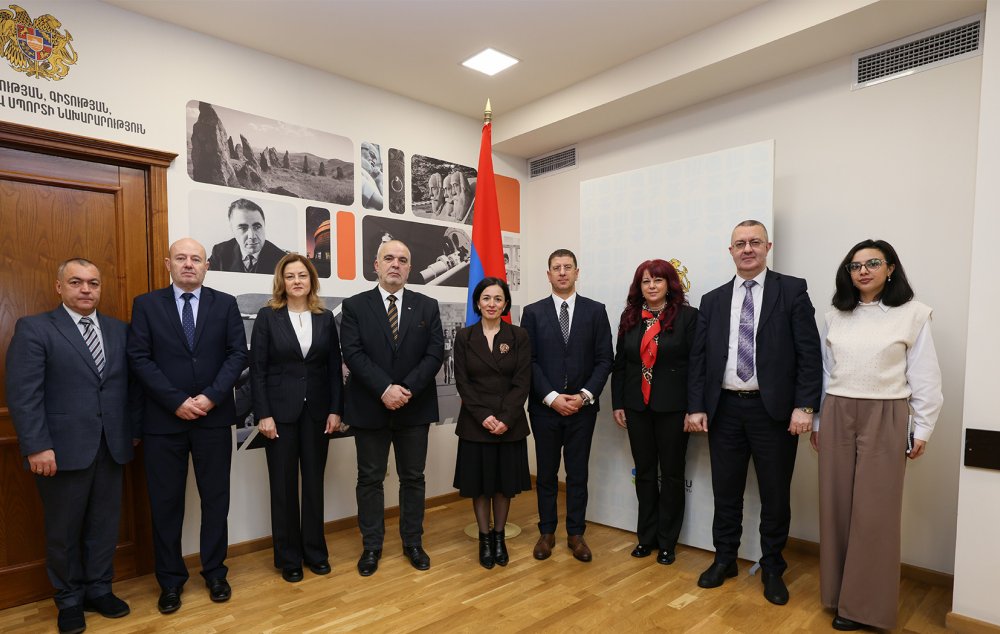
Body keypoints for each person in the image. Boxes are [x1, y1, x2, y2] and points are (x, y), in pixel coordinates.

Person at [687, 219, 822, 606]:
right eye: (740, 243)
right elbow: (700, 359)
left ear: (768, 247)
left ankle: (773, 568)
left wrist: (805, 407)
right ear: (730, 251)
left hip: (773, 413)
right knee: (726, 492)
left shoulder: (791, 290)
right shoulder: (712, 300)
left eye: (755, 242)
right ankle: (724, 559)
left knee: (775, 495)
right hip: (725, 409)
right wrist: (696, 406)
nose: (747, 249)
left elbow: (809, 353)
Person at [813, 240, 942, 631]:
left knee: (875, 513)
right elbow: (825, 372)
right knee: (835, 507)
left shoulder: (914, 314)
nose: (863, 271)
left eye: (872, 263)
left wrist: (922, 427)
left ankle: (864, 608)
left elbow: (925, 375)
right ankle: (837, 595)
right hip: (837, 412)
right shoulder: (835, 315)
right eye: (855, 266)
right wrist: (817, 422)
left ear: (890, 268)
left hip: (886, 413)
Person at [6, 258, 139, 634]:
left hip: (111, 446)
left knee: (104, 525)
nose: (86, 289)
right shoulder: (35, 329)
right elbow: (24, 394)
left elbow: (129, 388)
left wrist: (132, 431)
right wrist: (36, 446)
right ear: (59, 287)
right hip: (59, 452)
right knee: (63, 532)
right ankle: (68, 600)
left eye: (93, 283)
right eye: (76, 282)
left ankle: (99, 590)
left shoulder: (119, 330)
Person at [127, 238, 247, 614]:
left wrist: (210, 397)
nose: (189, 264)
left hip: (214, 420)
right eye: (181, 258)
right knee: (165, 505)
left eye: (196, 259)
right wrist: (176, 401)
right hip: (163, 423)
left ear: (207, 266)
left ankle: (215, 572)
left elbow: (237, 355)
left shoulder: (225, 304)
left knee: (216, 500)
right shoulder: (146, 305)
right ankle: (170, 581)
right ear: (169, 264)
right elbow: (139, 358)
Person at [339, 239, 444, 576]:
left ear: (410, 268)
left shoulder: (427, 306)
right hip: (370, 407)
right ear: (376, 265)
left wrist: (405, 389)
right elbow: (353, 353)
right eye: (389, 258)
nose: (395, 264)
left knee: (413, 478)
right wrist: (385, 389)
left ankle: (413, 542)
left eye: (402, 259)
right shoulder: (355, 306)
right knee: (370, 479)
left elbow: (435, 354)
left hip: (414, 407)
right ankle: (372, 546)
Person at [250, 254, 345, 583]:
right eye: (290, 276)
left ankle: (315, 552)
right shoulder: (267, 317)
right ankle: (288, 557)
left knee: (314, 484)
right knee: (283, 486)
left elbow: (333, 368)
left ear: (311, 280)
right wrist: (263, 413)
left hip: (318, 412)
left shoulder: (325, 317)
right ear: (282, 281)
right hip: (279, 415)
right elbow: (257, 370)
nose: (296, 281)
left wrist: (335, 409)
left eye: (302, 275)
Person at [521, 249, 613, 563]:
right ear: (548, 274)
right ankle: (547, 532)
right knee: (546, 474)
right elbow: (529, 360)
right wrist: (551, 397)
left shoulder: (595, 311)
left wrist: (584, 395)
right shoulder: (533, 313)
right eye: (556, 268)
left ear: (577, 272)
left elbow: (605, 359)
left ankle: (576, 534)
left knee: (577, 474)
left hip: (581, 410)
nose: (562, 272)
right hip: (544, 409)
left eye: (567, 267)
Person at [611, 259, 698, 565]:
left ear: (669, 284)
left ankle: (667, 542)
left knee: (672, 475)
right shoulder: (631, 316)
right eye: (645, 281)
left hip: (674, 408)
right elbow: (621, 364)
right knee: (645, 473)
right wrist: (618, 403)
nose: (651, 286)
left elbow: (696, 367)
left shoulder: (688, 317)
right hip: (637, 406)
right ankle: (646, 537)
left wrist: (694, 408)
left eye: (658, 280)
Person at [453, 277, 532, 569]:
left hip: (509, 423)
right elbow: (463, 382)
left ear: (506, 303)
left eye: (498, 299)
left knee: (502, 485)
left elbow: (522, 381)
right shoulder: (464, 337)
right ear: (477, 302)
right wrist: (484, 416)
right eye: (486, 298)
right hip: (476, 424)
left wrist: (506, 418)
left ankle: (499, 537)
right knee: (480, 485)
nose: (492, 304)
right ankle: (484, 539)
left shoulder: (519, 335)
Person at [209, 198, 287, 273]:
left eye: (257, 227)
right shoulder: (219, 253)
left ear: (264, 225)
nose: (252, 236)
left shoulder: (282, 260)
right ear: (232, 229)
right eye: (243, 228)